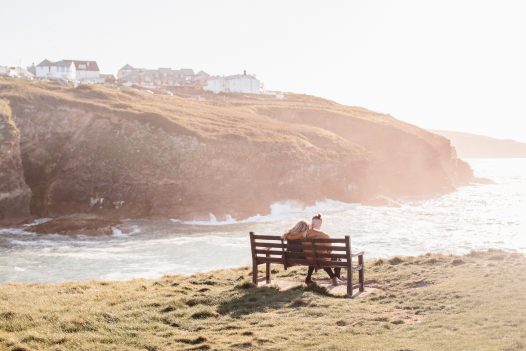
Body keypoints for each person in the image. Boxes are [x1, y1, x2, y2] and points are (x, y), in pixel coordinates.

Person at [304, 214, 342, 286]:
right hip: (322, 258)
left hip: (309, 257)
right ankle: (336, 278)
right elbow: (329, 250)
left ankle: (308, 278)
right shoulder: (325, 236)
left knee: (315, 255)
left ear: (312, 223)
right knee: (338, 258)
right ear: (320, 224)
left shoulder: (305, 233)